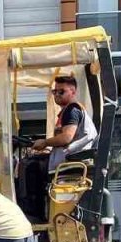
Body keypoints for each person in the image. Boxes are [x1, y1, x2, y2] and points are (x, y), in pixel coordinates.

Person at [17, 75, 97, 218]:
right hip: (71, 158)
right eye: (55, 92)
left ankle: (33, 213)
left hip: (69, 161)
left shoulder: (72, 111)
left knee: (28, 165)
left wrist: (45, 142)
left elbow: (66, 137)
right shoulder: (71, 111)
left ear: (73, 92)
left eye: (61, 92)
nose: (57, 95)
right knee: (36, 160)